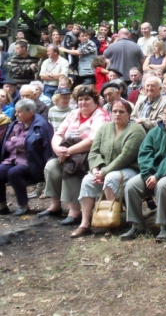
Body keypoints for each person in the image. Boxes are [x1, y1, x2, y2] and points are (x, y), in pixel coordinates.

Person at [120, 100, 166, 241]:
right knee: (131, 185)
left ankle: (164, 226)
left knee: (162, 185)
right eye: (165, 114)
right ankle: (137, 225)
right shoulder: (154, 132)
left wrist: (157, 176)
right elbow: (144, 153)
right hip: (152, 171)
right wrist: (148, 174)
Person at [72, 99, 146, 238]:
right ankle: (85, 223)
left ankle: (111, 220)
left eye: (121, 112)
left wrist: (104, 172)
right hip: (104, 169)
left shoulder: (136, 130)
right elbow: (94, 152)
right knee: (88, 180)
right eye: (114, 111)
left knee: (112, 179)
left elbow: (125, 157)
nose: (117, 114)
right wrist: (95, 170)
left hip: (130, 169)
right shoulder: (105, 128)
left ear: (129, 114)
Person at [38, 85, 111, 225]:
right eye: (80, 99)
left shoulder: (100, 115)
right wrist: (58, 149)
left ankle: (75, 211)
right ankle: (55, 205)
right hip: (67, 150)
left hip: (90, 153)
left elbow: (92, 141)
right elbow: (59, 133)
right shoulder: (73, 113)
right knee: (51, 166)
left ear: (95, 101)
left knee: (71, 167)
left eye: (87, 99)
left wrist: (68, 152)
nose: (83, 102)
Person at [0, 99, 53, 216]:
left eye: (19, 112)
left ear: (30, 112)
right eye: (16, 112)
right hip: (12, 159)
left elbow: (32, 146)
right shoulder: (16, 124)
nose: (15, 114)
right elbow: (7, 144)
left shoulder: (41, 125)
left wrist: (16, 142)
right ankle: (1, 205)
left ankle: (23, 206)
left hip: (32, 162)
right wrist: (20, 145)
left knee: (14, 173)